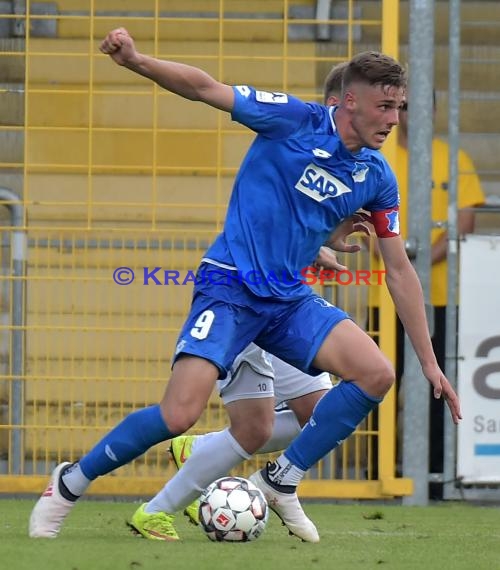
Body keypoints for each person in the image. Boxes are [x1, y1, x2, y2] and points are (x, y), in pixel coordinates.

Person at [29, 29, 461, 543]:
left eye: (400, 108)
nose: (394, 120)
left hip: (286, 299)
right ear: (349, 101)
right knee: (178, 414)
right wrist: (136, 62)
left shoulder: (376, 175)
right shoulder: (292, 120)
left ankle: (281, 479)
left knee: (375, 373)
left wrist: (430, 363)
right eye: (385, 106)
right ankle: (69, 483)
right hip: (230, 287)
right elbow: (205, 88)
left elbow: (399, 270)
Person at [145, 61, 352, 537]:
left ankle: (204, 452)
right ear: (340, 105)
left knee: (324, 417)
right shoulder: (290, 137)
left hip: (286, 304)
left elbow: (297, 222)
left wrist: (321, 244)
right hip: (246, 301)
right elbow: (263, 214)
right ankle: (163, 501)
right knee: (256, 428)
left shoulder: (347, 162)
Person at [365, 91, 485, 494]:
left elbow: (464, 224)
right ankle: (376, 475)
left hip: (438, 297)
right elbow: (363, 225)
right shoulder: (375, 158)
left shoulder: (454, 160)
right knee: (375, 383)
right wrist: (398, 261)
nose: (408, 113)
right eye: (402, 106)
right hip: (383, 299)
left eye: (417, 105)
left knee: (437, 389)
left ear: (434, 110)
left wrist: (410, 264)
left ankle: (432, 479)